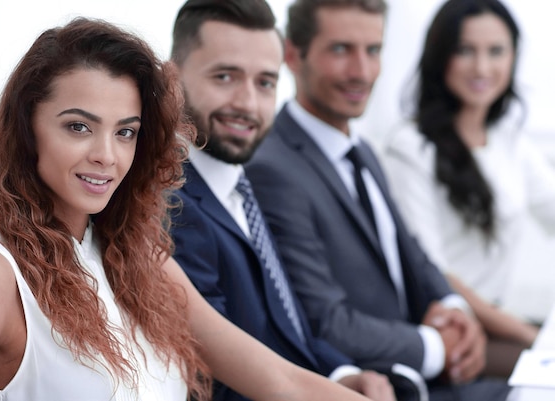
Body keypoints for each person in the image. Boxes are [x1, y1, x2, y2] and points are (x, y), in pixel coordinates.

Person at [0, 17, 375, 401]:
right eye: (79, 126)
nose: (107, 155)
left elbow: (282, 382)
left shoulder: (142, 264)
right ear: (28, 129)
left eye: (126, 132)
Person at [245, 0, 511, 399]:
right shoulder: (272, 168)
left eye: (373, 50)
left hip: (434, 372)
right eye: (341, 50)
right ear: (293, 55)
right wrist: (439, 345)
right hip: (383, 386)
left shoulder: (363, 151)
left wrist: (455, 309)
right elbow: (323, 322)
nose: (362, 71)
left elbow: (412, 255)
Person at [168, 1, 401, 400]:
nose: (248, 103)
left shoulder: (241, 181)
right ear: (171, 78)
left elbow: (284, 328)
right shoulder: (172, 207)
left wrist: (342, 373)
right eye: (225, 76)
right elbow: (217, 379)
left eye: (265, 83)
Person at [380, 0, 549, 376]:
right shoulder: (411, 147)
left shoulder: (510, 141)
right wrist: (527, 333)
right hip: (452, 332)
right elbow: (435, 273)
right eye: (465, 51)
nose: (482, 67)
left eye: (496, 51)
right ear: (440, 56)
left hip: (500, 325)